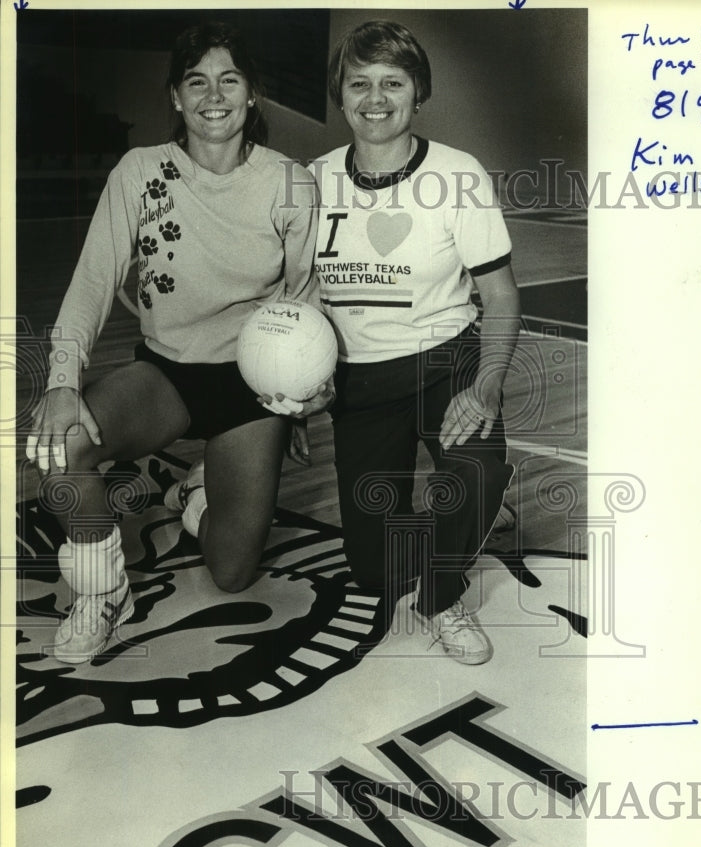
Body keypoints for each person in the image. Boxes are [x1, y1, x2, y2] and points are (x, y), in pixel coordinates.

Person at [25, 21, 331, 665]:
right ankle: (104, 593)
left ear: (252, 94)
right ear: (175, 95)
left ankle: (196, 496)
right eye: (197, 81)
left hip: (250, 387)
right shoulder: (140, 171)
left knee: (232, 572)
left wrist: (300, 395)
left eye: (229, 80)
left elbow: (304, 299)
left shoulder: (290, 182)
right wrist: (61, 381)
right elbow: (92, 282)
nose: (213, 96)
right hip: (166, 374)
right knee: (62, 449)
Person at [263, 20, 519, 665]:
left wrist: (487, 385)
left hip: (447, 362)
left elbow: (502, 296)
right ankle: (464, 520)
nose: (375, 99)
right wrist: (293, 391)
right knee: (376, 571)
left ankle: (444, 595)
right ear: (340, 95)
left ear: (418, 92)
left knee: (477, 469)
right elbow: (299, 299)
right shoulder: (310, 180)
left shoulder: (457, 175)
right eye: (359, 83)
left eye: (392, 83)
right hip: (361, 380)